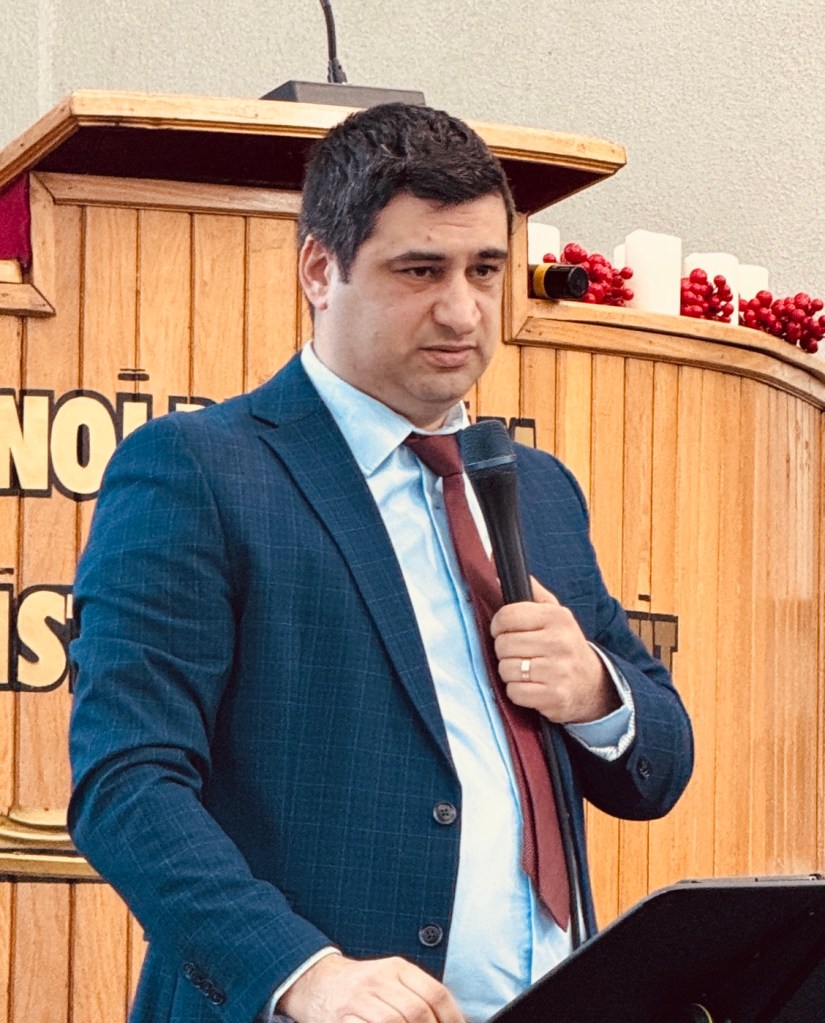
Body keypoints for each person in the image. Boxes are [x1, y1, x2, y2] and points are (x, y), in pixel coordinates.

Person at [68, 102, 693, 1023]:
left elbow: (660, 768)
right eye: (420, 270)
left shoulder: (538, 487)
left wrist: (596, 690)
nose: (463, 309)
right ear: (320, 270)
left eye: (485, 270)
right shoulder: (199, 470)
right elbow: (127, 784)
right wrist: (305, 973)